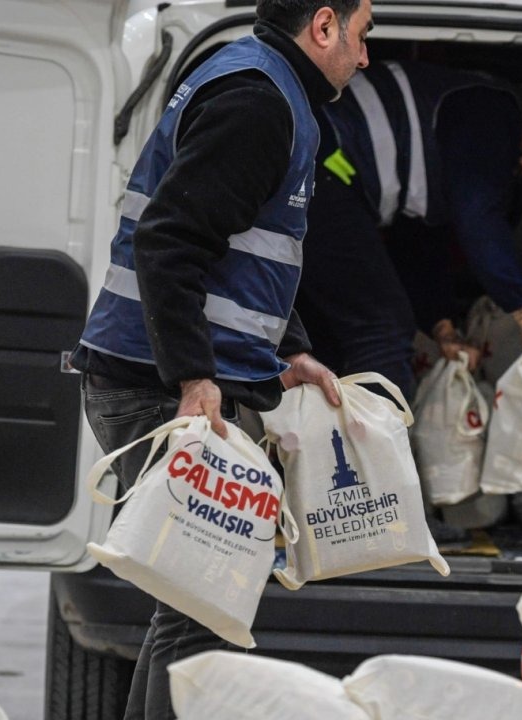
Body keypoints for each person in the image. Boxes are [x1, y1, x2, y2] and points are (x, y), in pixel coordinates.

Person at [68, 0, 373, 715]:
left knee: (192, 607)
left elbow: (241, 253)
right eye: (362, 37)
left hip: (155, 376)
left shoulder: (265, 86)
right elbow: (169, 241)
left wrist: (288, 350)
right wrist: (194, 378)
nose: (365, 58)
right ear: (323, 25)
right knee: (203, 607)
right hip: (156, 387)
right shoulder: (258, 102)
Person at [293, 60, 522, 395]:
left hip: (324, 175)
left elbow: (422, 242)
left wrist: (443, 329)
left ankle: (327, 437)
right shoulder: (495, 107)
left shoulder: (451, 159)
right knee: (385, 328)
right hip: (322, 160)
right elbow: (479, 217)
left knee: (332, 329)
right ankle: (375, 446)